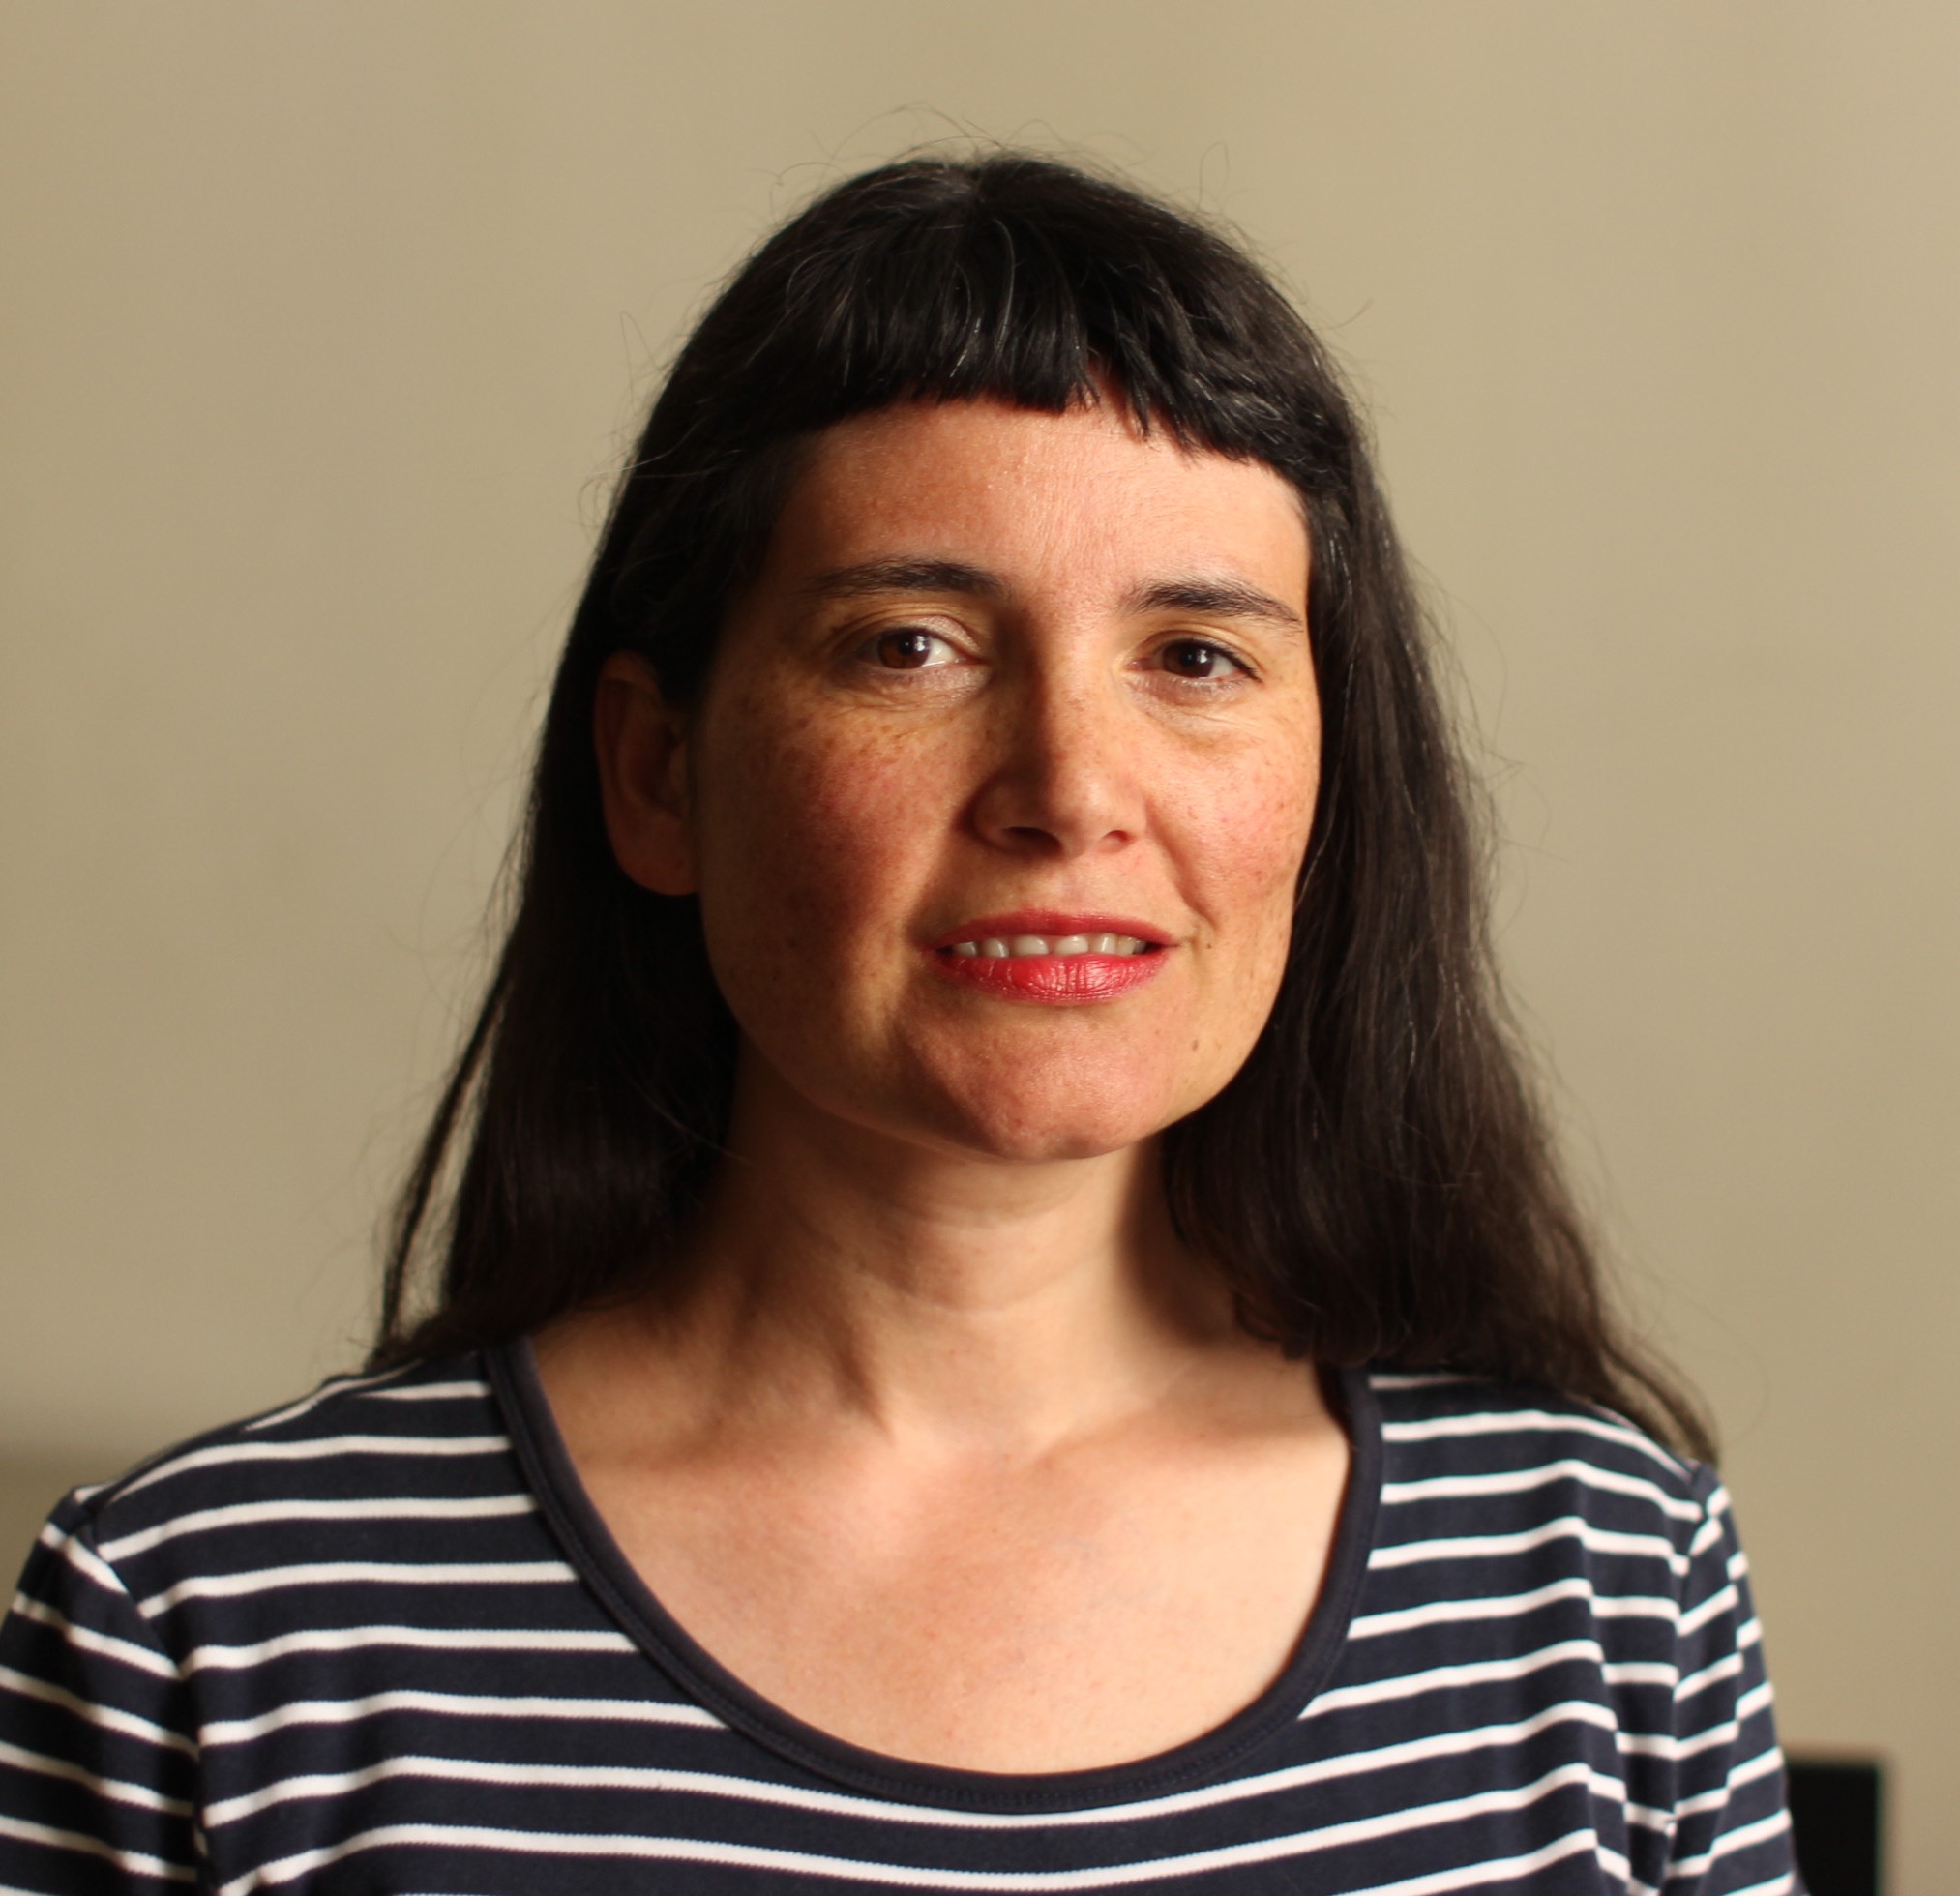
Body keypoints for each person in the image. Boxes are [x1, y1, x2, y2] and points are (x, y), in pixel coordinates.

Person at [0, 154, 1799, 1893]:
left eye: (1194, 658)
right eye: (911, 646)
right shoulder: (200, 1633)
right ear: (658, 774)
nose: (1067, 790)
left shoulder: (1603, 1588)